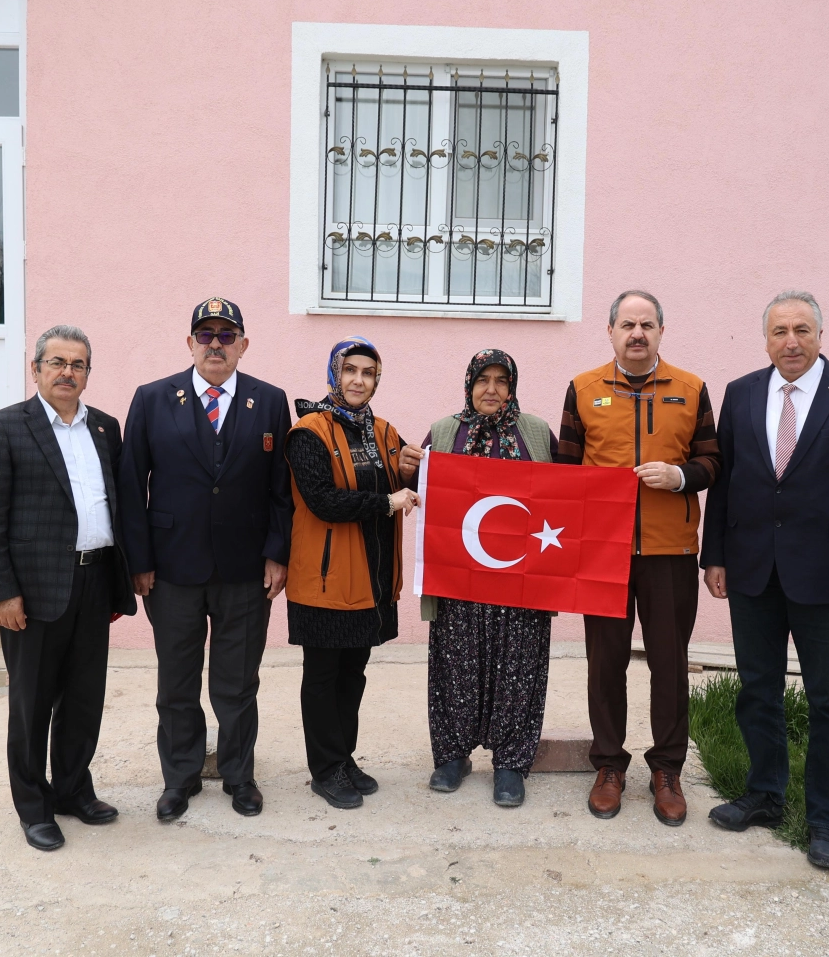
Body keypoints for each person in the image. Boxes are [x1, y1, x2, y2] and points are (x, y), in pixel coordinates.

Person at [700, 291, 829, 870]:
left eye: (802, 329)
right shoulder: (741, 393)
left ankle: (826, 821)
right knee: (758, 690)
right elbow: (727, 483)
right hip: (754, 570)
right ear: (765, 340)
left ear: (819, 336)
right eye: (780, 330)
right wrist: (717, 556)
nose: (791, 340)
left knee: (828, 701)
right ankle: (765, 794)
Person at [117, 298, 293, 822]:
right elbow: (132, 487)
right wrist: (139, 560)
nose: (215, 344)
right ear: (189, 342)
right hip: (171, 569)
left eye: (226, 334)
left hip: (245, 569)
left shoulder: (269, 400)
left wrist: (277, 553)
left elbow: (281, 489)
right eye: (205, 334)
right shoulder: (151, 399)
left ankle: (239, 775)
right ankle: (181, 777)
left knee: (237, 682)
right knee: (176, 681)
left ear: (243, 344)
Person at [0, 324, 136, 852]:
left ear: (88, 373)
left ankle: (72, 790)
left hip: (94, 580)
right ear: (35, 368)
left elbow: (115, 505)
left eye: (78, 364)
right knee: (32, 704)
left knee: (85, 700)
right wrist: (1, 592)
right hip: (32, 594)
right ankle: (33, 806)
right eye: (57, 362)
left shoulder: (106, 428)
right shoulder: (4, 428)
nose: (68, 372)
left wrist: (117, 583)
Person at [557, 290, 722, 826]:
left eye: (647, 324)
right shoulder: (582, 389)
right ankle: (608, 765)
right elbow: (563, 471)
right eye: (627, 324)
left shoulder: (691, 389)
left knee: (669, 663)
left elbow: (714, 462)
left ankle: (667, 769)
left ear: (660, 332)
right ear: (609, 332)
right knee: (604, 661)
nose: (637, 334)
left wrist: (680, 477)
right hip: (603, 550)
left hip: (669, 548)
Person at [284, 337, 422, 809]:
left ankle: (344, 758)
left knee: (354, 673)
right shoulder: (308, 431)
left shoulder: (384, 432)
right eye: (350, 371)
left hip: (372, 578)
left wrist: (408, 473)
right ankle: (324, 770)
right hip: (324, 579)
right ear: (334, 374)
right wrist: (388, 500)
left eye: (368, 372)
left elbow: (405, 485)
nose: (359, 380)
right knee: (323, 676)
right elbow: (322, 499)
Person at [421, 349, 559, 808]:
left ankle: (511, 763)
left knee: (520, 669)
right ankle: (452, 756)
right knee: (455, 667)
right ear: (469, 383)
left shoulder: (535, 432)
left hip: (521, 583)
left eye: (502, 381)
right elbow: (424, 499)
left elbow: (564, 498)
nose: (492, 390)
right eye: (484, 379)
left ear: (513, 387)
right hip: (460, 581)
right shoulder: (444, 432)